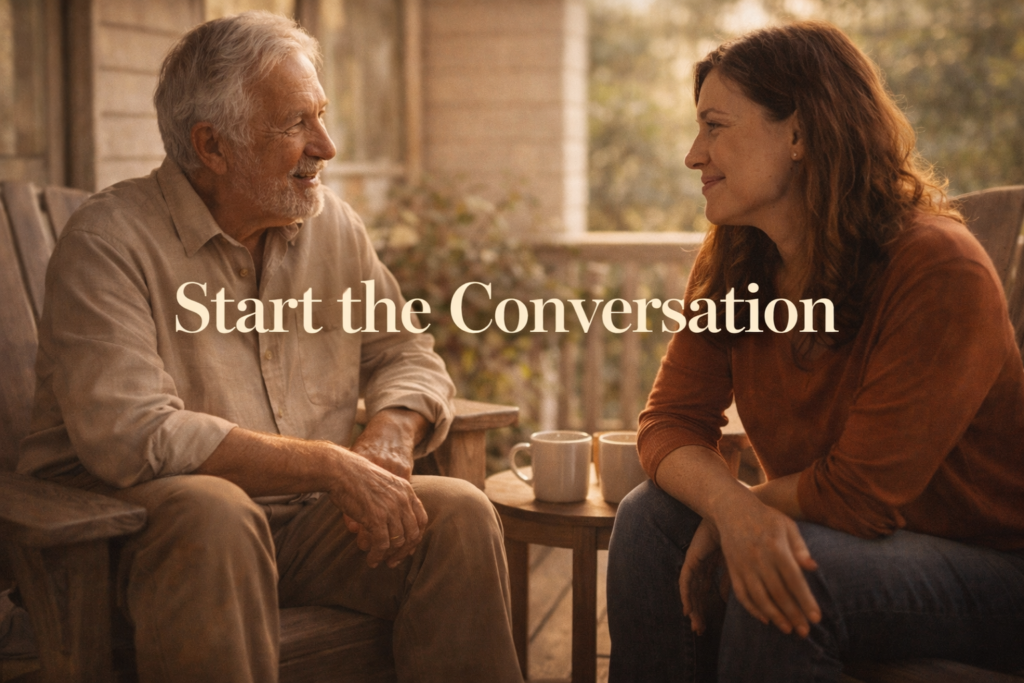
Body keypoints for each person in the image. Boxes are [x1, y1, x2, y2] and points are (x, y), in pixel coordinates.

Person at [17, 11, 522, 683]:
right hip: (126, 542)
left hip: (304, 531)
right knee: (215, 512)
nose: (328, 145)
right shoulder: (109, 243)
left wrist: (390, 435)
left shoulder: (331, 227)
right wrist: (330, 467)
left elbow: (407, 352)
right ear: (213, 146)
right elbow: (133, 435)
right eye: (295, 125)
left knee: (456, 513)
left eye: (321, 115)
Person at [606, 20, 1024, 682]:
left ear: (798, 133)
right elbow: (669, 423)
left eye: (716, 126)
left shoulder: (937, 267)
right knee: (648, 521)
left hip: (992, 570)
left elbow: (861, 496)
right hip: (841, 535)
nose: (693, 153)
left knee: (788, 567)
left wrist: (748, 512)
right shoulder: (738, 259)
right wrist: (731, 506)